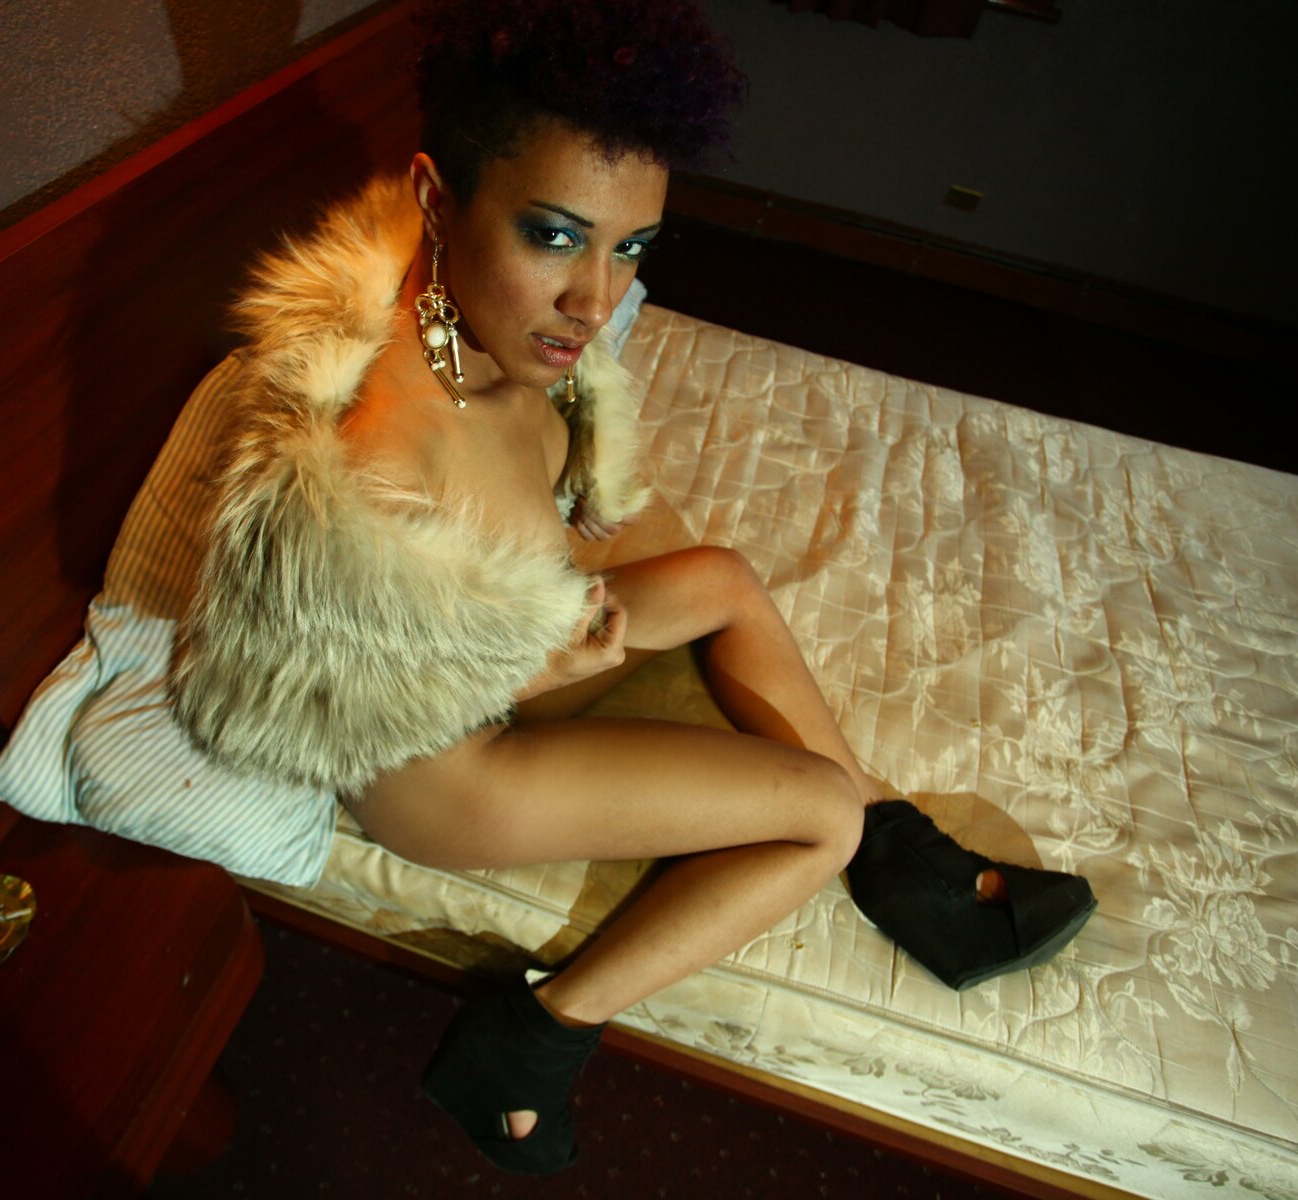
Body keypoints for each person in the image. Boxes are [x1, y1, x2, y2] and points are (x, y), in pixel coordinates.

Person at [172, 0, 1094, 1176]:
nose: (595, 300)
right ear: (437, 199)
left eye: (630, 248)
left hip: (525, 656)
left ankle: (901, 863)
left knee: (720, 578)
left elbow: (551, 496)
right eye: (554, 236)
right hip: (448, 767)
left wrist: (574, 550)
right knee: (816, 812)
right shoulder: (381, 457)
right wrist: (537, 662)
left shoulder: (487, 330)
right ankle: (530, 1038)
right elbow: (344, 700)